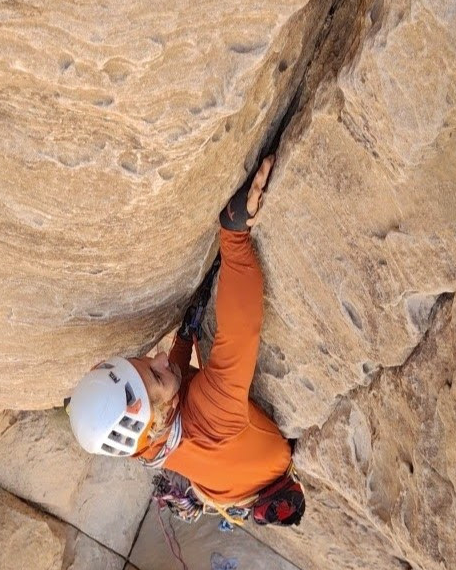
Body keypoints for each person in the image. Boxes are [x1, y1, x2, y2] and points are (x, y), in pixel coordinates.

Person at [67, 155, 304, 527]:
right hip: (264, 478)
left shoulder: (139, 442)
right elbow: (241, 326)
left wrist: (185, 339)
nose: (161, 358)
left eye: (146, 362)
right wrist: (234, 233)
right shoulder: (214, 415)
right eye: (158, 375)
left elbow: (165, 405)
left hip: (222, 489)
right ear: (161, 415)